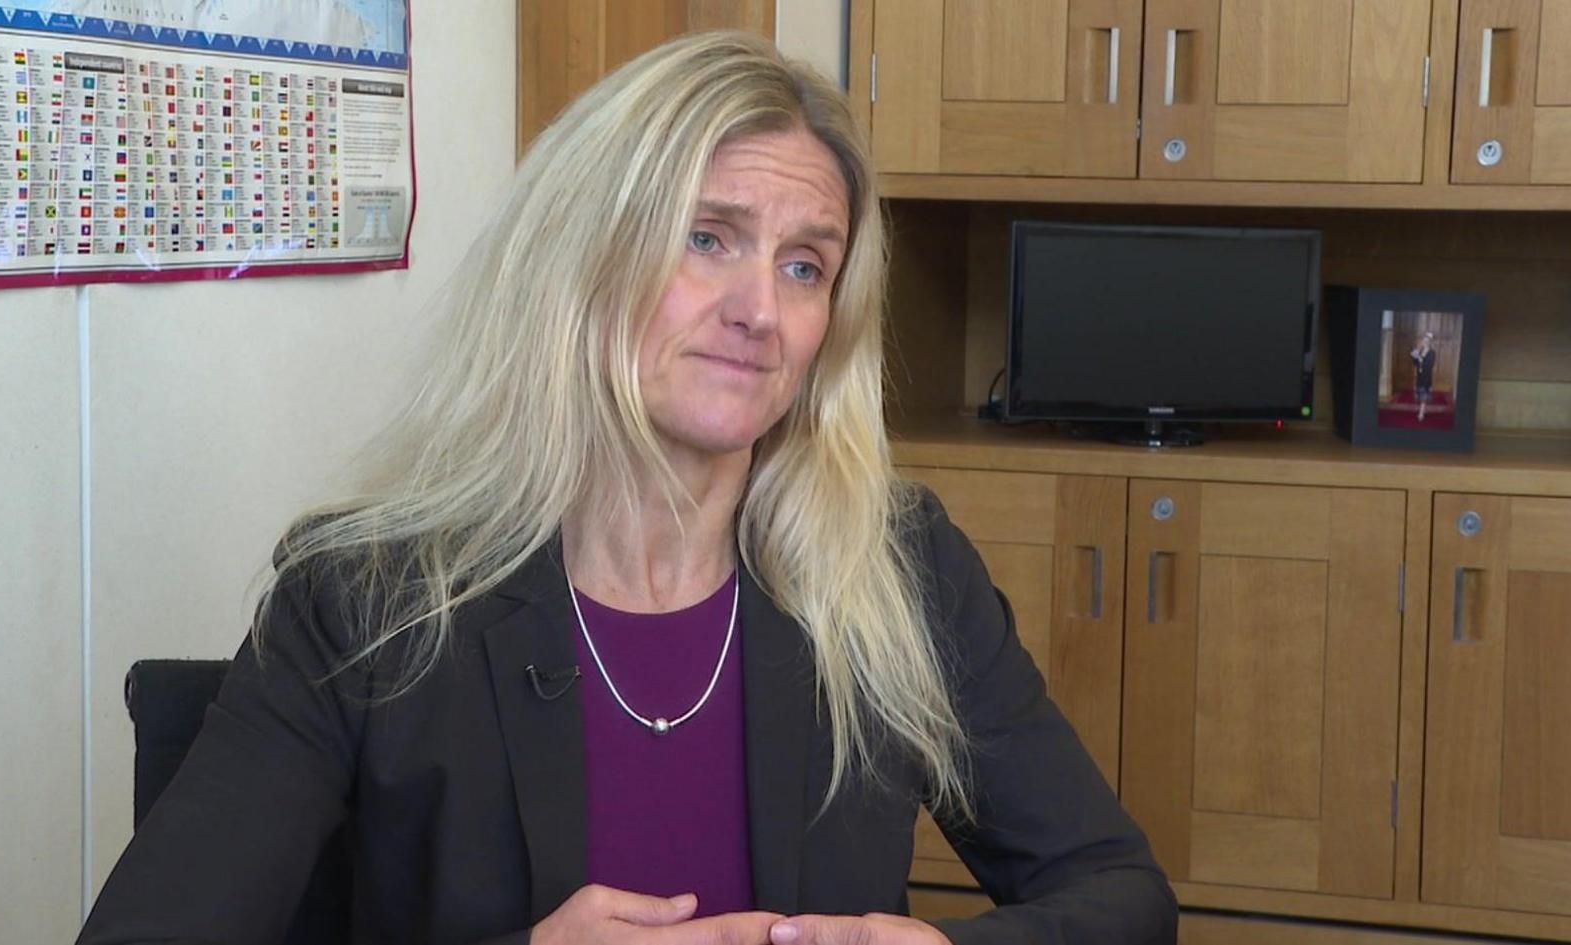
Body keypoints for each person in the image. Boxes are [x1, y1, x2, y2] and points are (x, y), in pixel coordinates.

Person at [77, 31, 1177, 945]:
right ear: (578, 260)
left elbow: (1124, 897)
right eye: (708, 239)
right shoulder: (363, 598)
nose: (762, 310)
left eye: (806, 265)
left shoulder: (897, 564)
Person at [1411, 331, 1437, 421]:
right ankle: (1422, 410)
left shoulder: (1432, 353)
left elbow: (1430, 365)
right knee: (1419, 395)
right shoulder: (1420, 350)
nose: (1424, 342)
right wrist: (1414, 357)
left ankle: (1421, 413)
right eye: (1424, 340)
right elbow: (1415, 364)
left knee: (1424, 396)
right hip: (1419, 377)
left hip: (1426, 377)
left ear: (1429, 342)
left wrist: (1421, 359)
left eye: (1427, 341)